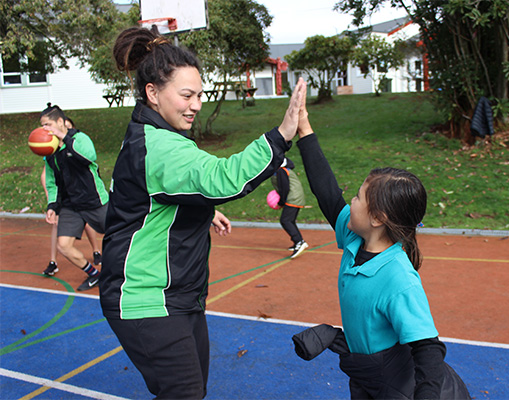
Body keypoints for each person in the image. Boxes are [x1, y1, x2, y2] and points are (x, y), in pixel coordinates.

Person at [99, 27, 306, 399]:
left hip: (179, 296)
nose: (196, 104)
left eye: (200, 95)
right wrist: (281, 135)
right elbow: (222, 177)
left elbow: (151, 194)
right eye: (187, 95)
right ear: (153, 93)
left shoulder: (155, 138)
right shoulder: (159, 145)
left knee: (192, 392)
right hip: (147, 298)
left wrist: (203, 210)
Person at [295, 110, 470, 398]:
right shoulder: (355, 237)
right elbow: (327, 193)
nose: (349, 201)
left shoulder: (399, 279)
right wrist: (305, 130)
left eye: (357, 197)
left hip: (396, 383)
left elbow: (428, 348)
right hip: (363, 373)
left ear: (377, 218)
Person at [41, 103, 108, 291]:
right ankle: (95, 275)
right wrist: (52, 206)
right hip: (71, 206)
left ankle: (127, 272)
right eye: (42, 126)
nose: (44, 129)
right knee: (63, 246)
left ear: (61, 122)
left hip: (94, 201)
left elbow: (89, 157)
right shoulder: (50, 152)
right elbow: (52, 181)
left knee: (118, 236)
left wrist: (64, 138)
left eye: (47, 124)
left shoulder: (79, 138)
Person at [271, 157, 308, 258]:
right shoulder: (284, 170)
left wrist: (281, 202)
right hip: (295, 197)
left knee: (285, 220)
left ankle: (299, 242)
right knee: (290, 220)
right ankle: (298, 241)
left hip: (293, 198)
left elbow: (284, 188)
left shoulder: (281, 171)